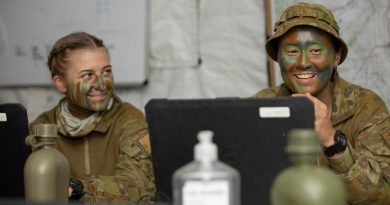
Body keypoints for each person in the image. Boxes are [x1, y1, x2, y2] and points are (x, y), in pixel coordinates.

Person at [253, 2, 390, 205]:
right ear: (278, 58)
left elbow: (383, 194)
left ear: (336, 57)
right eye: (291, 52)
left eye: (316, 51)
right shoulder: (262, 106)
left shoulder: (365, 107)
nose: (303, 62)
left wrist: (333, 142)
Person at [29, 32, 156, 203]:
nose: (101, 84)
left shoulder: (129, 119)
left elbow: (138, 186)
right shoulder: (43, 125)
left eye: (106, 72)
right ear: (60, 83)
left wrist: (77, 188)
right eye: (87, 75)